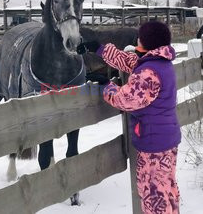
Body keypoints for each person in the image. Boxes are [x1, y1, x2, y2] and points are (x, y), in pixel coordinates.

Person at [77, 21, 181, 214]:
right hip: (164, 140)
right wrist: (99, 49)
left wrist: (107, 85)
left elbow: (124, 100)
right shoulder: (159, 63)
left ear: (147, 42)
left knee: (154, 198)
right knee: (167, 191)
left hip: (153, 147)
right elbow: (129, 62)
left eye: (140, 38)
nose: (137, 40)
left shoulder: (149, 73)